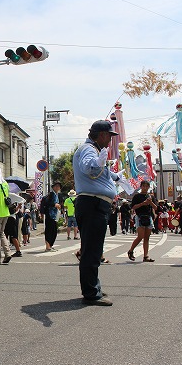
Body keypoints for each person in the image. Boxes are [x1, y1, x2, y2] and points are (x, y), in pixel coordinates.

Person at [73, 120, 120, 306]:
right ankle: (91, 293)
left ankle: (93, 287)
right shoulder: (89, 149)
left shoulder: (93, 149)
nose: (110, 141)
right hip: (93, 204)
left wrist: (116, 176)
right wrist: (97, 162)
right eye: (109, 136)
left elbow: (99, 173)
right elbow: (89, 168)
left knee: (93, 249)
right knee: (92, 251)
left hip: (94, 204)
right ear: (101, 135)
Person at [127, 180, 157, 262]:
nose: (145, 188)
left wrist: (150, 202)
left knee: (147, 237)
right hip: (139, 216)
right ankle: (131, 250)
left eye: (146, 186)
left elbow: (156, 208)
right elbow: (133, 207)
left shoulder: (151, 196)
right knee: (141, 236)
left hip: (148, 217)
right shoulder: (137, 196)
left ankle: (146, 256)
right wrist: (142, 203)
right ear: (141, 187)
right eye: (143, 186)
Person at [40, 181, 62, 251]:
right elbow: (47, 202)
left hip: (54, 216)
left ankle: (50, 245)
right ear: (53, 187)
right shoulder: (51, 194)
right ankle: (48, 246)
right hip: (50, 215)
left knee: (54, 231)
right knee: (49, 231)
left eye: (58, 186)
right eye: (56, 186)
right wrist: (54, 205)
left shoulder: (57, 195)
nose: (57, 187)